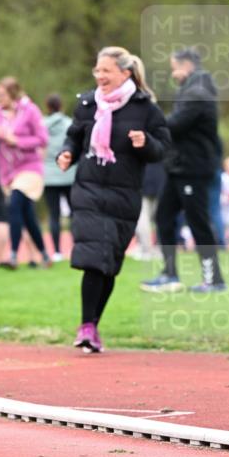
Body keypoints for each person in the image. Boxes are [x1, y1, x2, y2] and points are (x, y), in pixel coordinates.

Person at [57, 47, 170, 352]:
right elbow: (74, 136)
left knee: (108, 263)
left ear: (125, 73)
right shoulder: (86, 103)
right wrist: (67, 152)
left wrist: (146, 143)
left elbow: (162, 147)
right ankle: (86, 326)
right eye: (97, 70)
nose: (100, 76)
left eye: (106, 71)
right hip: (88, 189)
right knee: (94, 257)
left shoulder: (144, 107)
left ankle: (92, 325)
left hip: (124, 194)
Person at [141, 47, 226, 293]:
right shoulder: (191, 88)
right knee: (164, 217)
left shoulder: (197, 91)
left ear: (186, 64)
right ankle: (169, 274)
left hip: (193, 168)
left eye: (174, 67)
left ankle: (214, 279)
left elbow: (175, 125)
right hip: (179, 168)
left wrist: (150, 121)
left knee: (198, 222)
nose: (173, 73)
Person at [0, 76, 51, 268]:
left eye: (1, 94)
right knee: (27, 215)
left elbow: (42, 139)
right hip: (7, 172)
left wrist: (16, 140)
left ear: (12, 94)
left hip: (30, 168)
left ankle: (14, 254)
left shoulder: (30, 111)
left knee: (15, 203)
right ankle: (44, 254)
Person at [43, 93, 75, 261]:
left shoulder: (42, 126)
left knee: (54, 215)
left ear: (47, 107)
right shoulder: (70, 124)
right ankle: (77, 247)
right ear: (61, 106)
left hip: (49, 176)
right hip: (69, 174)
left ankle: (56, 252)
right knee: (74, 213)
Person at [129, 161, 166, 261]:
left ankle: (147, 249)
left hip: (145, 178)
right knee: (159, 217)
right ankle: (159, 249)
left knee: (142, 216)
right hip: (161, 177)